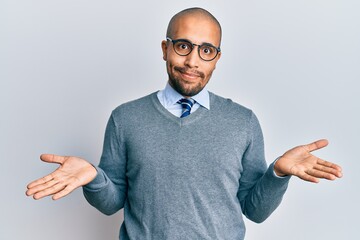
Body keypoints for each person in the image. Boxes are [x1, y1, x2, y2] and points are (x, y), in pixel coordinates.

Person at [26, 7, 342, 240]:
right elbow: (112, 204)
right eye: (183, 46)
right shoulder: (125, 118)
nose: (192, 61)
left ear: (217, 58)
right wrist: (94, 177)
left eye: (206, 51)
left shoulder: (243, 122)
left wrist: (277, 172)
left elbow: (255, 211)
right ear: (166, 49)